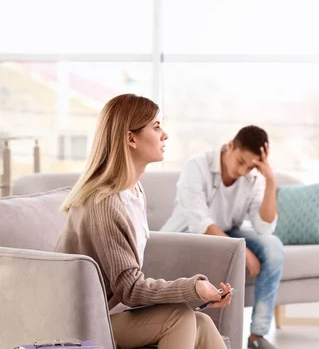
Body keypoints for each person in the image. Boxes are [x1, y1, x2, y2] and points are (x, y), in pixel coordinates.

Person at [56, 94, 232, 349]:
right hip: (81, 322)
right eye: (156, 126)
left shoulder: (134, 192)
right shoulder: (103, 203)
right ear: (131, 138)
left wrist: (197, 290)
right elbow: (130, 288)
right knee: (178, 317)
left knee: (201, 322)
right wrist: (194, 287)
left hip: (110, 314)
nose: (165, 135)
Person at [161, 125, 283, 349]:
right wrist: (241, 250)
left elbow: (264, 227)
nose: (243, 171)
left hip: (227, 232)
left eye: (250, 167)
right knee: (221, 246)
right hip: (187, 233)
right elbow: (199, 221)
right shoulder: (197, 165)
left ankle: (257, 337)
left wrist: (270, 182)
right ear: (230, 146)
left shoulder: (254, 178)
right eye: (240, 162)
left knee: (273, 246)